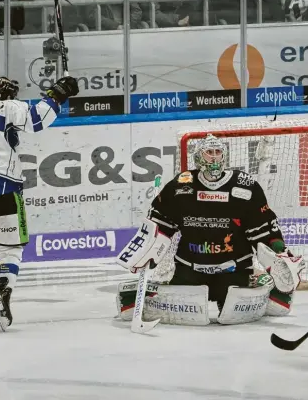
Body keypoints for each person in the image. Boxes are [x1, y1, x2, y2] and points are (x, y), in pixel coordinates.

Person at [116, 134, 306, 326]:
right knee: (136, 307)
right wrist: (147, 247)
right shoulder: (181, 186)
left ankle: (263, 281)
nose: (214, 157)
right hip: (189, 269)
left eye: (218, 152)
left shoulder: (245, 187)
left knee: (245, 314)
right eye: (209, 153)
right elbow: (160, 223)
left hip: (233, 269)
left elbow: (265, 230)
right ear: (199, 156)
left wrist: (281, 252)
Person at [0, 59, 79, 330]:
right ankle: (3, 292)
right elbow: (39, 119)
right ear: (7, 93)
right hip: (3, 189)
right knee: (10, 248)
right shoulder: (11, 107)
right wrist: (59, 93)